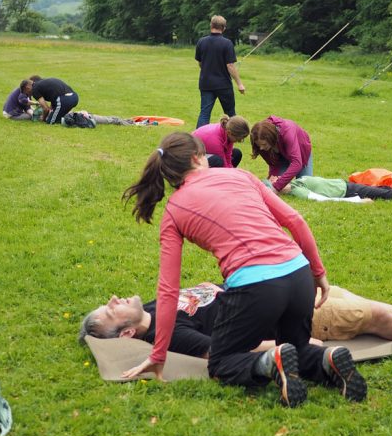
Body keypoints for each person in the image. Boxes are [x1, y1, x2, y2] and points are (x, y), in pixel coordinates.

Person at [120, 132, 366, 406]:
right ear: (196, 158)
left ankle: (271, 360)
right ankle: (327, 358)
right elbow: (295, 221)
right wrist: (318, 273)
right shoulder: (241, 176)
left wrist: (158, 355)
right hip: (299, 274)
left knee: (222, 361)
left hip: (256, 286)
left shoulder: (174, 210)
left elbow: (168, 290)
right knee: (296, 349)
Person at [79, 283, 392, 353]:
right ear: (127, 333)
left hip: (272, 293)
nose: (113, 299)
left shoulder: (150, 307)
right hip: (284, 317)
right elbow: (221, 349)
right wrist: (288, 344)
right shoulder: (168, 332)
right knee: (371, 317)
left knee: (340, 293)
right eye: (110, 310)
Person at [195, 15, 245, 128]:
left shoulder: (201, 42)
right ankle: (235, 135)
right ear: (224, 28)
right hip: (223, 85)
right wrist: (239, 84)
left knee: (204, 113)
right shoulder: (227, 43)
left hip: (206, 83)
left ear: (211, 25)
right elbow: (230, 66)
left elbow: (200, 63)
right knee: (231, 114)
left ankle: (198, 139)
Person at [250, 116, 313, 194]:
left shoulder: (287, 131)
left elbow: (297, 163)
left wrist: (276, 187)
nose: (261, 148)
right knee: (276, 183)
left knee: (306, 185)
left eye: (264, 144)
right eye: (259, 145)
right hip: (281, 157)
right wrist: (273, 177)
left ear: (271, 138)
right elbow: (272, 163)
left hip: (300, 152)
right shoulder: (259, 140)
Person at [277, 175, 392, 203]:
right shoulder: (296, 191)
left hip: (347, 185)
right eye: (275, 180)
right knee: (388, 194)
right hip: (350, 191)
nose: (275, 177)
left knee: (384, 189)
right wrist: (358, 201)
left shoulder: (296, 183)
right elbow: (323, 199)